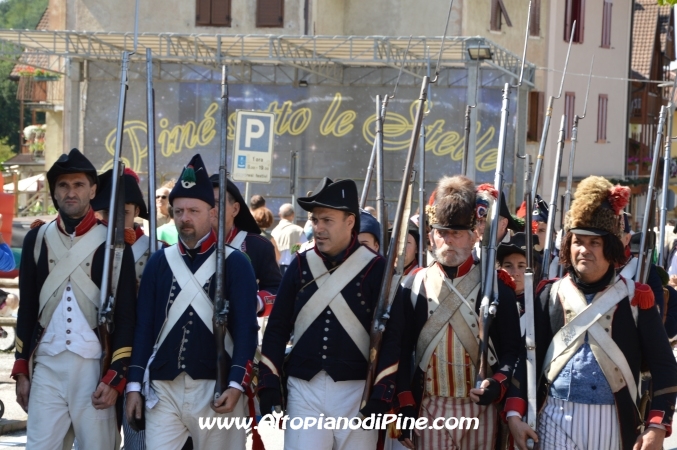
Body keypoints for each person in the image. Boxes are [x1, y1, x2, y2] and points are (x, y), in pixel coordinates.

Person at [506, 176, 677, 450]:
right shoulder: (548, 294)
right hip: (553, 417)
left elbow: (664, 367)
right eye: (578, 241)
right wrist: (514, 412)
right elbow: (526, 357)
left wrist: (657, 425)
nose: (584, 250)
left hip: (613, 420)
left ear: (610, 248)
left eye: (594, 243)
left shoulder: (636, 297)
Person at [258, 177, 404, 450]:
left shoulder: (377, 269)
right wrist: (268, 383)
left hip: (357, 390)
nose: (319, 228)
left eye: (327, 220)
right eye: (315, 221)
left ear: (350, 221)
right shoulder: (301, 264)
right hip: (304, 389)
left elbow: (393, 337)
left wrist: (380, 395)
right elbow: (277, 327)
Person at [125, 154, 259, 449]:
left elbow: (247, 329)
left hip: (216, 385)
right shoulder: (160, 261)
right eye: (178, 210)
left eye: (193, 210)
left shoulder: (236, 263)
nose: (185, 217)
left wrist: (237, 384)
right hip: (163, 386)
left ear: (212, 214)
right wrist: (134, 384)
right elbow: (144, 326)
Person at [13, 148, 137, 449]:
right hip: (46, 367)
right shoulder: (37, 239)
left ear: (93, 190)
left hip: (93, 368)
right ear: (54, 192)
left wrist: (115, 376)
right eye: (63, 185)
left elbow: (126, 316)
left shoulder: (115, 244)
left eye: (79, 185)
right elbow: (28, 308)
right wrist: (21, 371)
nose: (71, 192)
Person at [396, 175, 521, 450]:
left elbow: (513, 351)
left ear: (474, 235)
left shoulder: (498, 287)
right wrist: (405, 403)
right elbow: (402, 351)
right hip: (431, 406)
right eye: (441, 233)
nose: (447, 241)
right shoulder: (413, 285)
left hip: (481, 410)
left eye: (456, 233)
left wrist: (497, 383)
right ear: (431, 235)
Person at [213, 175, 281, 317]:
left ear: (235, 209)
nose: (211, 209)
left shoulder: (259, 246)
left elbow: (276, 290)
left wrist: (255, 302)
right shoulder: (191, 245)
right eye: (206, 203)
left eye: (217, 203)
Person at [271, 203, 306, 275]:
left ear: (279, 214)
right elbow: (306, 247)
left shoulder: (274, 231)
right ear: (293, 214)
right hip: (294, 267)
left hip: (276, 268)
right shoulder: (298, 230)